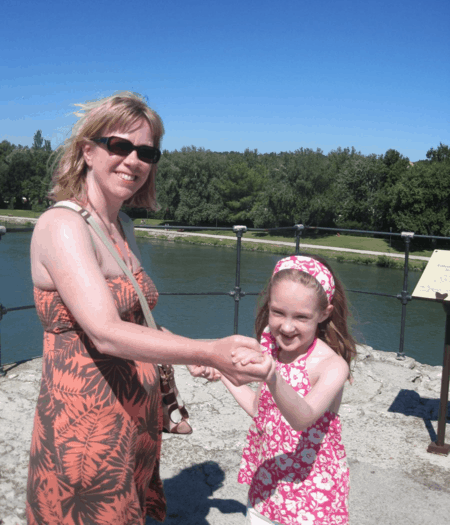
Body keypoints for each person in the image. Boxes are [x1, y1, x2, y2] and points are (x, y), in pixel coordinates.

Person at [26, 91, 270, 525]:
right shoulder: (61, 225)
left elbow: (135, 319)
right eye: (119, 146)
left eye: (147, 151)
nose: (133, 160)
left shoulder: (121, 226)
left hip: (132, 421)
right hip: (86, 432)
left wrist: (191, 351)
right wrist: (206, 350)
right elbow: (104, 331)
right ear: (87, 151)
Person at [191, 254, 357, 525]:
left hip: (313, 499)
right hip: (267, 491)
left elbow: (302, 418)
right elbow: (261, 410)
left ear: (324, 314)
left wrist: (272, 377)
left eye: (301, 317)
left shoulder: (331, 366)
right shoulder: (271, 348)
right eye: (278, 312)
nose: (287, 326)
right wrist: (221, 373)